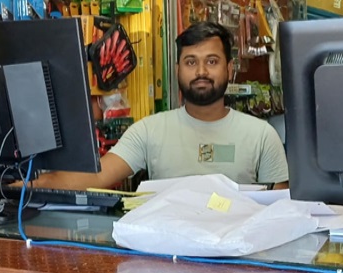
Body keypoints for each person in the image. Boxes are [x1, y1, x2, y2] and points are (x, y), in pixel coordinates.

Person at [34, 21, 289, 189]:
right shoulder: (149, 131)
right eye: (191, 62)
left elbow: (282, 212)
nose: (201, 71)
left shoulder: (262, 136)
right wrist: (30, 185)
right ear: (177, 70)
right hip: (166, 254)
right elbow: (98, 176)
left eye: (212, 61)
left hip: (239, 254)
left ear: (229, 69)